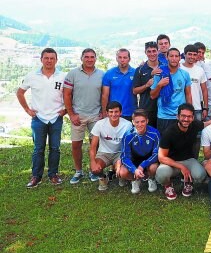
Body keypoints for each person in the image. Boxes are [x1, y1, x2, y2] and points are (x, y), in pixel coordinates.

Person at [17, 48, 67, 188]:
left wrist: (66, 110)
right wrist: (27, 109)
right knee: (38, 149)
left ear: (56, 60)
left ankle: (53, 175)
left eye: (52, 58)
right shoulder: (32, 76)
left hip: (56, 117)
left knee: (55, 148)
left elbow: (70, 95)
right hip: (38, 118)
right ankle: (36, 176)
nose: (49, 61)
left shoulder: (63, 76)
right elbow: (20, 92)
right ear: (41, 59)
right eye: (46, 58)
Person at [64, 48, 105, 184]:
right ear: (81, 58)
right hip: (78, 116)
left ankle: (94, 170)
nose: (89, 59)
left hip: (95, 116)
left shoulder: (101, 74)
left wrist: (103, 112)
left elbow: (105, 95)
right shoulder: (72, 74)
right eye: (86, 57)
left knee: (96, 144)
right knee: (76, 144)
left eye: (92, 57)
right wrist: (71, 114)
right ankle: (78, 171)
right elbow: (67, 95)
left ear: (95, 59)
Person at [156, 104, 207, 200]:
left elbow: (208, 123)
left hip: (188, 160)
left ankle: (188, 181)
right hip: (171, 162)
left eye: (189, 116)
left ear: (193, 117)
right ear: (177, 116)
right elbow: (161, 157)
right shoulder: (169, 132)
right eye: (183, 116)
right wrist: (181, 166)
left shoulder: (194, 125)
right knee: (161, 174)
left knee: (200, 175)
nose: (186, 119)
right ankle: (168, 185)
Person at [89, 101, 133, 191]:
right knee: (94, 168)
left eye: (116, 112)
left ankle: (121, 176)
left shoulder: (127, 125)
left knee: (122, 171)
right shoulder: (100, 124)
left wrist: (120, 162)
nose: (114, 114)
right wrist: (93, 162)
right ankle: (103, 178)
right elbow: (93, 147)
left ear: (121, 112)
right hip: (104, 153)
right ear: (107, 113)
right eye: (111, 112)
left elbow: (129, 146)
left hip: (120, 153)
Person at [118, 109, 160, 194]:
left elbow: (157, 154)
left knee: (153, 168)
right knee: (122, 172)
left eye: (142, 121)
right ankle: (135, 179)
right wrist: (134, 169)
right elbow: (125, 157)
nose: (140, 124)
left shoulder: (155, 133)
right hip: (134, 160)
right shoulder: (127, 135)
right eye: (137, 122)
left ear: (147, 121)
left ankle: (151, 178)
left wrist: (143, 165)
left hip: (149, 161)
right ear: (133, 122)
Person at [150, 47, 192, 134]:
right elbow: (152, 95)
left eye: (176, 56)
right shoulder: (159, 73)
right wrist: (159, 85)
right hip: (164, 116)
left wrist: (190, 112)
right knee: (164, 144)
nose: (174, 59)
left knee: (180, 145)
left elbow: (188, 94)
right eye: (171, 56)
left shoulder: (184, 74)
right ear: (167, 57)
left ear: (180, 58)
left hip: (181, 116)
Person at [102, 48, 136, 121]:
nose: (122, 60)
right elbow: (105, 95)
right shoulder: (109, 73)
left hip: (131, 113)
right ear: (116, 59)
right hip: (113, 113)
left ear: (129, 59)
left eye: (125, 57)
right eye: (120, 57)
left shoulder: (135, 72)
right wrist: (105, 112)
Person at [133, 41, 161, 128]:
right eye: (149, 51)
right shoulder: (140, 70)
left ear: (158, 51)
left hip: (162, 109)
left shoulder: (164, 67)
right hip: (146, 109)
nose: (152, 54)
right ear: (145, 52)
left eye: (154, 51)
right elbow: (135, 91)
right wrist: (146, 85)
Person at [181, 44, 209, 121]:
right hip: (181, 107)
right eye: (189, 54)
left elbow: (204, 90)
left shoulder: (200, 70)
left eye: (194, 55)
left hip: (196, 108)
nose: (192, 57)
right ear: (184, 54)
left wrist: (205, 108)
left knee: (197, 132)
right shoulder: (179, 68)